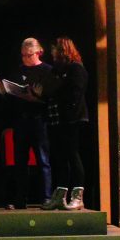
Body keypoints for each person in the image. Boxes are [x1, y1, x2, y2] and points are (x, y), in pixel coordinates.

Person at [0, 38, 53, 210]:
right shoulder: (18, 70)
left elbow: (51, 98)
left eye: (29, 55)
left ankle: (46, 198)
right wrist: (2, 90)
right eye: (23, 56)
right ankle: (20, 199)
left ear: (39, 52)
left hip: (39, 120)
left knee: (43, 160)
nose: (26, 59)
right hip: (20, 120)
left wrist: (35, 98)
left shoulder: (47, 70)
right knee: (20, 161)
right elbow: (11, 96)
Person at [36, 36, 89, 211]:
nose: (52, 53)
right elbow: (48, 92)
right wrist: (39, 93)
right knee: (59, 157)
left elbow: (75, 93)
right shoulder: (56, 70)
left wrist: (56, 90)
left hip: (72, 119)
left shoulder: (76, 68)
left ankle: (78, 197)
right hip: (55, 120)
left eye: (54, 49)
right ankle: (60, 196)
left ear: (62, 50)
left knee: (72, 155)